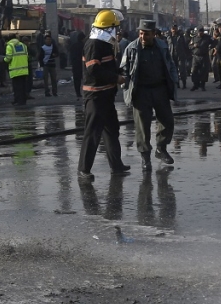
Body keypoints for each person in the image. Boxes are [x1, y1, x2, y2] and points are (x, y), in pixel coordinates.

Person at [77, 9, 131, 181]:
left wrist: (119, 73)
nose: (117, 31)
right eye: (115, 28)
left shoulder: (106, 43)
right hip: (95, 96)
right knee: (92, 133)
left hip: (107, 95)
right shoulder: (94, 44)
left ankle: (117, 166)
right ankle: (84, 169)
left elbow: (108, 66)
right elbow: (93, 69)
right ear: (108, 28)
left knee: (111, 131)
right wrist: (116, 78)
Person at [120, 19, 177, 171]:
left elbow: (170, 65)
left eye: (146, 34)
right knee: (142, 126)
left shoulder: (162, 47)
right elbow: (123, 69)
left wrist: (174, 80)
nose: (143, 37)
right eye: (141, 33)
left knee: (167, 120)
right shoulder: (132, 48)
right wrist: (125, 85)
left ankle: (161, 148)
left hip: (160, 90)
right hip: (141, 91)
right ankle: (145, 158)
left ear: (153, 34)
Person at [5, 34, 31, 105]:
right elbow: (27, 56)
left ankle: (18, 101)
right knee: (23, 86)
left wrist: (3, 60)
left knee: (16, 87)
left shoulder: (10, 46)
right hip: (24, 69)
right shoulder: (23, 45)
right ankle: (23, 100)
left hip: (15, 70)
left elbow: (8, 58)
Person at [38, 32, 59, 96]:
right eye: (47, 39)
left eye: (49, 39)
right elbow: (40, 57)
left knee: (54, 79)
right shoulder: (43, 48)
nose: (48, 41)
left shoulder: (53, 47)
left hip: (52, 65)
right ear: (45, 40)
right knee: (46, 80)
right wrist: (41, 65)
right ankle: (47, 92)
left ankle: (54, 92)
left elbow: (57, 53)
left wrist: (55, 54)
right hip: (45, 65)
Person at [169, 25, 190, 89]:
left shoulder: (181, 37)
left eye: (175, 29)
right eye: (173, 29)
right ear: (171, 29)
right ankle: (177, 84)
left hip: (180, 56)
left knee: (182, 70)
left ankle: (184, 84)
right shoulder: (169, 37)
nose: (174, 30)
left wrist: (187, 54)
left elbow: (185, 46)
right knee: (174, 71)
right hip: (172, 56)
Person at [67, 30, 85, 99]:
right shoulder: (83, 46)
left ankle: (78, 92)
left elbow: (70, 55)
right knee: (83, 79)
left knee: (76, 80)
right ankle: (84, 92)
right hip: (82, 65)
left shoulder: (73, 46)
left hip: (75, 65)